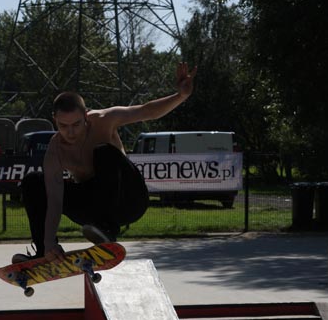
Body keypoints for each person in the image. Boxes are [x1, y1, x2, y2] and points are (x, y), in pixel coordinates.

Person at [12, 62, 197, 263]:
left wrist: (181, 96)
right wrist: (48, 242)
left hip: (128, 199)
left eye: (76, 124)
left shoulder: (105, 119)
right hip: (92, 206)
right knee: (33, 182)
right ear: (54, 119)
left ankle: (107, 228)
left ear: (85, 116)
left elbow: (146, 111)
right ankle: (44, 253)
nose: (71, 132)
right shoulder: (54, 151)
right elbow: (55, 201)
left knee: (103, 151)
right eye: (63, 126)